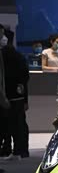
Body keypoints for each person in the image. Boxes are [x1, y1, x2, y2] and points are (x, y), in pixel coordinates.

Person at [0, 29, 30, 160]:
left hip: (5, 95)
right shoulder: (19, 56)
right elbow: (25, 78)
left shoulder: (3, 55)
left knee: (6, 124)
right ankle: (21, 150)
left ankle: (7, 148)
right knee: (19, 124)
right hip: (18, 96)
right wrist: (25, 99)